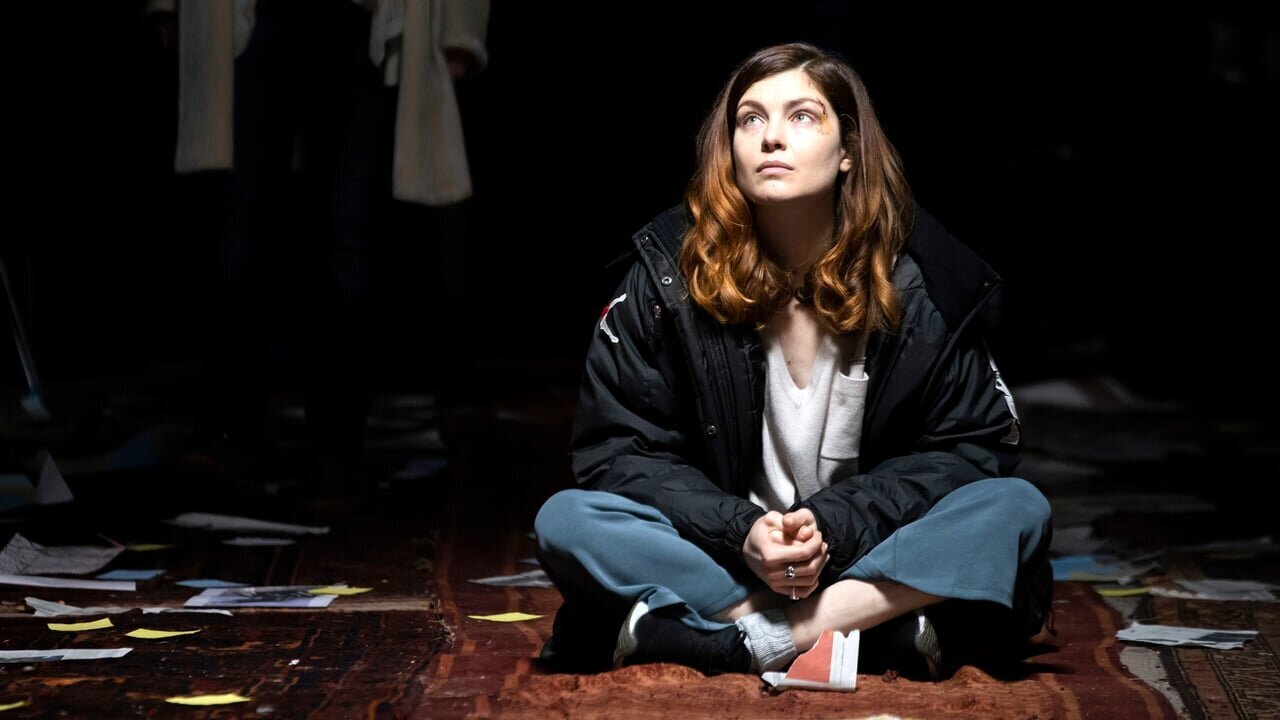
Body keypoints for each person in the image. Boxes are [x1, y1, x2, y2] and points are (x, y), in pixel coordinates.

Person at [533, 42, 1053, 681]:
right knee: (567, 519)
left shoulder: (925, 286)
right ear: (730, 150)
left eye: (802, 116)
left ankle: (743, 639)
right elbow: (618, 453)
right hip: (726, 558)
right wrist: (742, 531)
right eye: (750, 119)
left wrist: (834, 523)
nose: (771, 137)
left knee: (1015, 507)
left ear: (848, 151)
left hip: (871, 555)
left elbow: (970, 451)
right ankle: (864, 632)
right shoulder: (668, 277)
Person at [147, 0, 490, 497]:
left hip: (357, 16)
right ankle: (231, 436)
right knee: (244, 224)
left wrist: (460, 30)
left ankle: (335, 451)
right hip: (259, 13)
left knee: (346, 233)